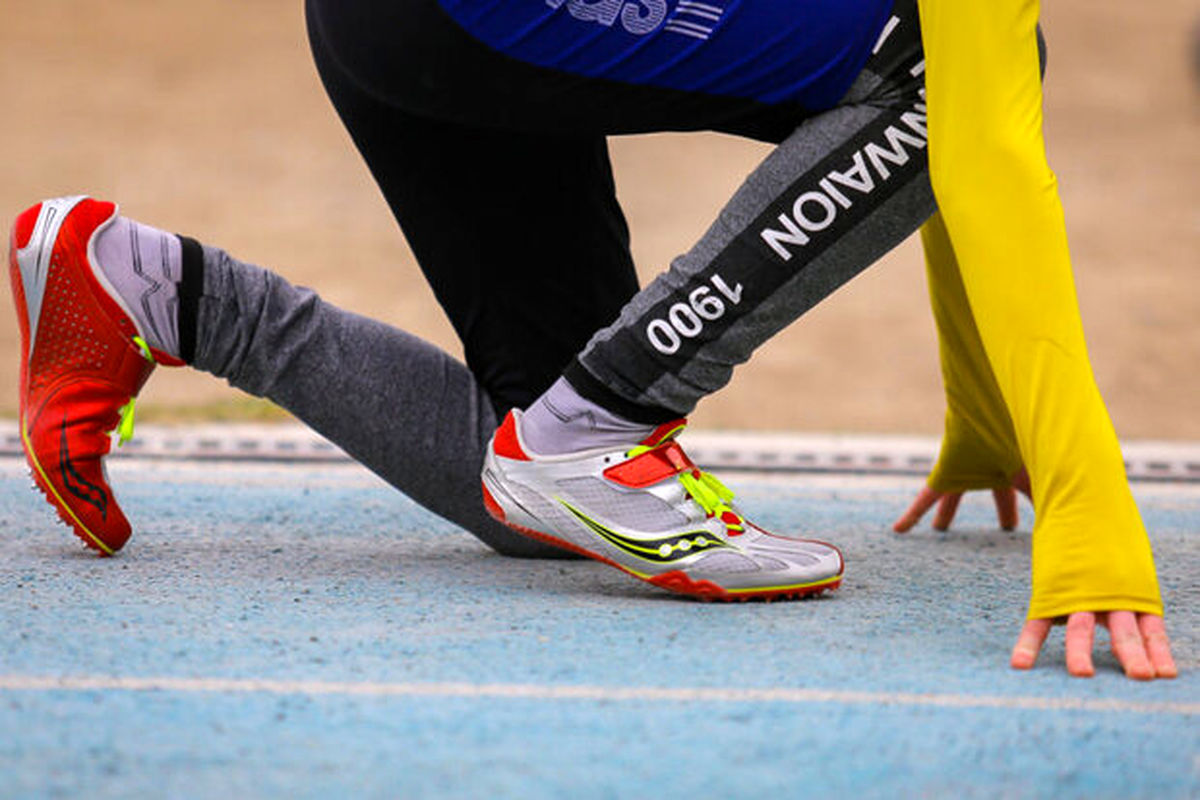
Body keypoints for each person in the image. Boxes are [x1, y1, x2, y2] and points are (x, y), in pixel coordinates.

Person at [9, 0, 1174, 677]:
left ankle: (158, 290)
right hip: (481, 13)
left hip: (425, 30)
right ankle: (600, 422)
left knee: (538, 496)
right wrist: (1087, 511)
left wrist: (986, 415)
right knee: (925, 69)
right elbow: (979, 118)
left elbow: (979, 110)